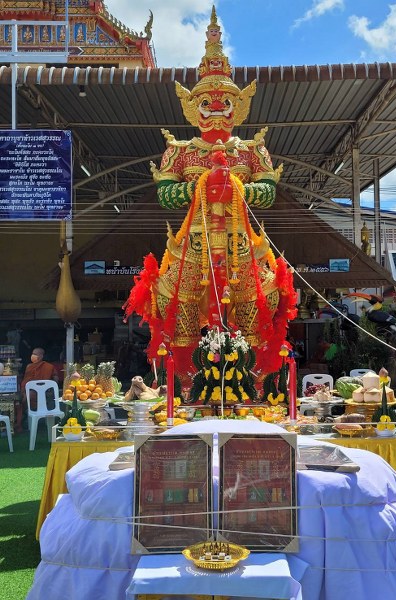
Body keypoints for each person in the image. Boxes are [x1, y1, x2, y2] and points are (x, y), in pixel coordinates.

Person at [124, 7, 297, 378]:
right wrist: (201, 185)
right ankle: (185, 385)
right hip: (194, 244)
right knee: (178, 311)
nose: (216, 107)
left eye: (225, 101)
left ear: (239, 106)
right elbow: (166, 195)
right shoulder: (181, 151)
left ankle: (254, 384)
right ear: (192, 107)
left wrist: (235, 186)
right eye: (206, 102)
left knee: (257, 310)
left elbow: (267, 193)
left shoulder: (251, 150)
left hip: (240, 243)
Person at [17, 348, 59, 432]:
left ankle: (19, 423)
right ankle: (19, 422)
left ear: (41, 356)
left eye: (36, 354)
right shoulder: (29, 366)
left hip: (42, 393)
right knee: (19, 399)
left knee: (25, 399)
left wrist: (51, 388)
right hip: (28, 391)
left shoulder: (48, 367)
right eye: (33, 354)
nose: (33, 356)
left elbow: (55, 378)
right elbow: (26, 380)